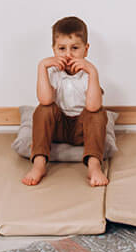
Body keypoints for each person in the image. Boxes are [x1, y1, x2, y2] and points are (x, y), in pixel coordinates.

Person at [22, 16, 109, 187]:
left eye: (75, 48)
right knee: (43, 109)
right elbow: (45, 100)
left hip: (82, 130)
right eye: (62, 48)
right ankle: (39, 163)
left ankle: (94, 165)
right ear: (53, 50)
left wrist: (93, 72)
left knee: (98, 114)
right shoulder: (54, 73)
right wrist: (42, 67)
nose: (68, 54)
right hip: (58, 128)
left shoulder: (87, 75)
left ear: (86, 49)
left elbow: (93, 106)